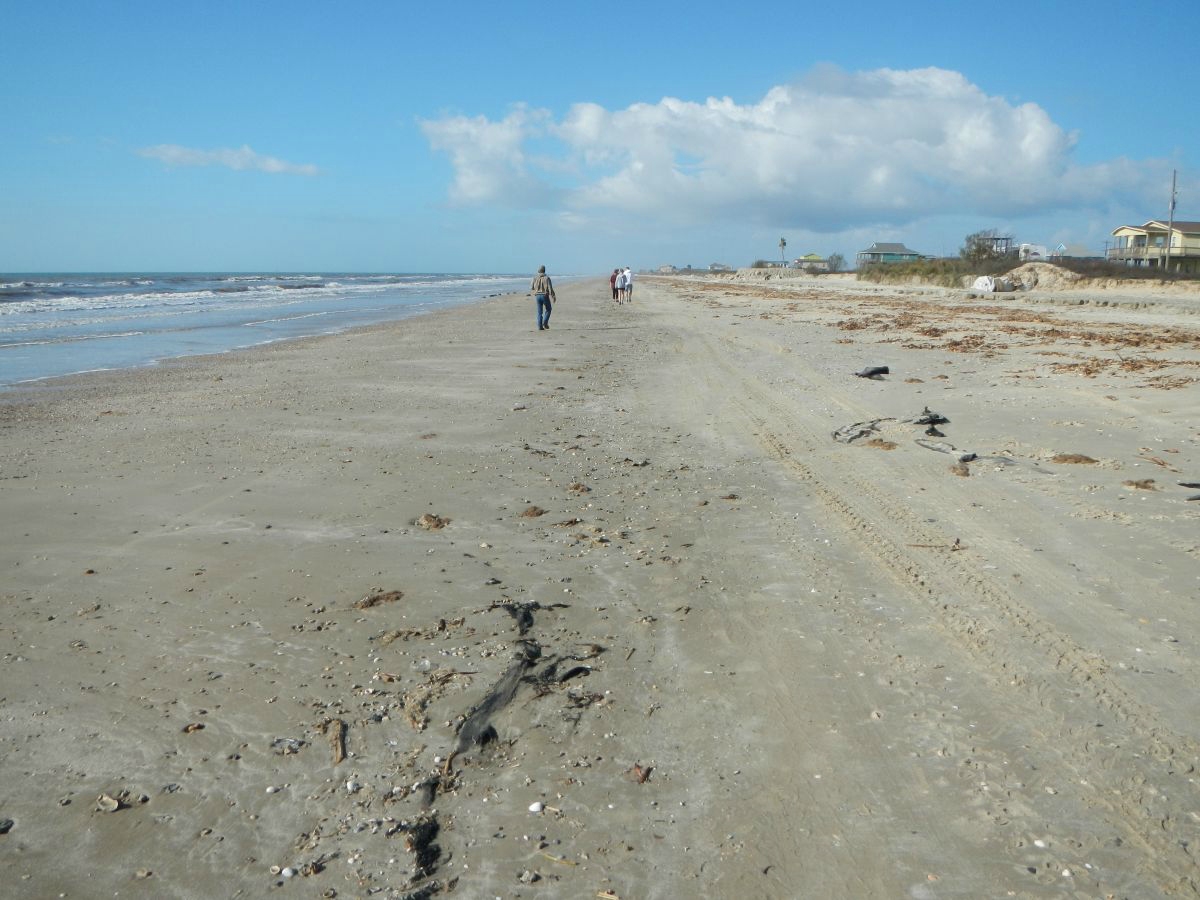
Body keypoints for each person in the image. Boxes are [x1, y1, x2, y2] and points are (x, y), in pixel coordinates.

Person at [530, 265, 556, 331]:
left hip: (537, 296)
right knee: (549, 309)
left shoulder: (535, 277)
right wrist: (553, 296)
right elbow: (550, 288)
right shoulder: (547, 278)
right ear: (544, 270)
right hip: (545, 295)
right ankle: (545, 322)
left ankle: (540, 326)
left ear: (538, 271)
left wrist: (536, 288)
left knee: (539, 312)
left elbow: (531, 287)